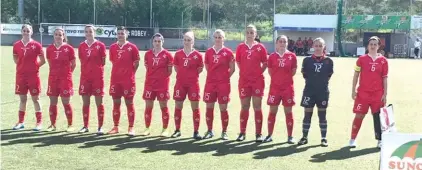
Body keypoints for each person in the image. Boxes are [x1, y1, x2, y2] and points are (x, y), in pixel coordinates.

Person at [349, 36, 388, 149]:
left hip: (377, 94)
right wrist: (353, 90)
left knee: (377, 117)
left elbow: (385, 78)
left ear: (378, 46)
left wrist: (385, 94)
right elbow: (356, 75)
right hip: (363, 94)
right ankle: (352, 139)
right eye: (371, 44)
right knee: (359, 115)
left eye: (375, 44)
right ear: (367, 46)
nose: (373, 46)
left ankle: (380, 140)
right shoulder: (361, 59)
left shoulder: (383, 61)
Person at [298, 37, 333, 147]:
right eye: (316, 45)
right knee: (307, 114)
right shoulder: (307, 60)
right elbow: (305, 75)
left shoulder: (329, 61)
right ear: (313, 46)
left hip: (322, 91)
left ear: (324, 47)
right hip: (309, 91)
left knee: (322, 115)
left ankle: (323, 138)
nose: (318, 48)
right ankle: (304, 137)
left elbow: (328, 76)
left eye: (320, 46)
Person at [235, 24, 268, 142]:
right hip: (244, 81)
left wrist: (258, 73)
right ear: (245, 33)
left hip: (257, 81)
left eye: (252, 33)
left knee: (257, 107)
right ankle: (242, 133)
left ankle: (258, 134)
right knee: (244, 106)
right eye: (248, 32)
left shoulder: (261, 47)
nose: (250, 35)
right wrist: (244, 72)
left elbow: (265, 63)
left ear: (255, 34)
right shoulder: (240, 47)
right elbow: (238, 62)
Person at [202, 29, 235, 140]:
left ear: (223, 38)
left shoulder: (229, 52)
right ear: (213, 38)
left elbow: (232, 69)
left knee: (223, 108)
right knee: (209, 107)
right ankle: (210, 130)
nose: (217, 39)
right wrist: (214, 77)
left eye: (220, 37)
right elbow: (207, 67)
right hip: (210, 83)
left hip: (223, 84)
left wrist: (223, 78)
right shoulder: (209, 52)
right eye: (216, 37)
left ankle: (224, 132)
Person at [107, 26, 140, 136]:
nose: (120, 35)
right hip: (115, 80)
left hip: (128, 81)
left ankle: (131, 128)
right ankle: (115, 126)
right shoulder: (112, 47)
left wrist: (130, 74)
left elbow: (136, 64)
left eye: (122, 33)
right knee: (116, 103)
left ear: (126, 34)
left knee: (129, 103)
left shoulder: (133, 47)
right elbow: (113, 61)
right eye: (119, 33)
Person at [171, 31, 204, 140]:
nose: (186, 42)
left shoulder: (198, 55)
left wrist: (190, 76)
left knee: (195, 108)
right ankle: (177, 130)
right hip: (180, 84)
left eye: (189, 40)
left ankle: (196, 131)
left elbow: (200, 69)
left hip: (193, 84)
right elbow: (176, 68)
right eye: (185, 40)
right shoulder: (178, 54)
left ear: (193, 41)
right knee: (178, 106)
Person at [12, 24, 46, 131]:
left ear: (31, 32)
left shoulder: (37, 45)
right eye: (24, 30)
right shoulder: (16, 45)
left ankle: (39, 123)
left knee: (36, 99)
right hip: (21, 76)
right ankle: (21, 122)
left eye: (28, 31)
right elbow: (16, 59)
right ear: (21, 32)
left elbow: (43, 60)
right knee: (23, 99)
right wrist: (22, 68)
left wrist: (34, 67)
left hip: (33, 77)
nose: (26, 32)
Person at [264, 35, 297, 143]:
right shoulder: (272, 56)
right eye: (280, 41)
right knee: (272, 111)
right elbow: (270, 72)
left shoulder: (292, 56)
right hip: (275, 89)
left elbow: (293, 72)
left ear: (287, 43)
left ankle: (290, 136)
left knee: (288, 112)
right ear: (276, 43)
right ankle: (269, 135)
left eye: (284, 41)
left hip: (287, 89)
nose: (282, 43)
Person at [141, 33, 173, 137]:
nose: (157, 43)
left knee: (163, 106)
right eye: (155, 41)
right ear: (152, 42)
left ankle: (165, 129)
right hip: (149, 84)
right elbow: (148, 68)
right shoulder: (148, 54)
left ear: (162, 42)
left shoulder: (167, 55)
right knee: (148, 106)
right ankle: (147, 128)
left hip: (162, 85)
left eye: (159, 41)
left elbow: (169, 71)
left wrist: (161, 78)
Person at [77, 25, 107, 135]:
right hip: (85, 78)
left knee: (99, 103)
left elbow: (103, 62)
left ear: (94, 32)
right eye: (86, 32)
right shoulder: (81, 46)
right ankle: (85, 126)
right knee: (86, 103)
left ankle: (100, 127)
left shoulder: (101, 45)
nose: (89, 33)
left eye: (90, 31)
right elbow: (81, 59)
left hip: (97, 78)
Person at [46, 27, 76, 132]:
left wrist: (67, 74)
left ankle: (70, 124)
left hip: (65, 80)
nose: (58, 36)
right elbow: (50, 63)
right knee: (53, 102)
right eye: (56, 34)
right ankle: (52, 125)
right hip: (53, 79)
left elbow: (73, 64)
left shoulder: (69, 48)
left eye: (60, 35)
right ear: (53, 36)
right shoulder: (49, 49)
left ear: (63, 36)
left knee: (66, 102)